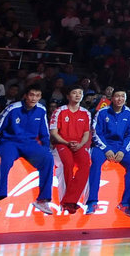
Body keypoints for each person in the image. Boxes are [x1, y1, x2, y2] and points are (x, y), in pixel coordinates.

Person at [0, 84, 54, 215]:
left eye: (37, 96)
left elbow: (44, 133)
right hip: (10, 142)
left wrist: (45, 149)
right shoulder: (12, 108)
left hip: (30, 144)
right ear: (25, 96)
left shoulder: (41, 109)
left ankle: (42, 200)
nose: (34, 98)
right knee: (6, 161)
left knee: (48, 159)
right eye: (32, 95)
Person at [87, 89, 130, 215]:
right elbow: (96, 132)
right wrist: (105, 149)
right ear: (112, 98)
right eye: (117, 96)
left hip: (122, 146)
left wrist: (123, 150)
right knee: (95, 162)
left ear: (125, 99)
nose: (119, 99)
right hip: (103, 145)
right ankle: (92, 201)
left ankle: (125, 203)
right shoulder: (102, 112)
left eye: (122, 96)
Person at [49, 85, 92, 213]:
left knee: (85, 165)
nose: (78, 95)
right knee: (68, 164)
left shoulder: (86, 113)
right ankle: (67, 202)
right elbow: (54, 133)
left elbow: (86, 133)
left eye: (80, 93)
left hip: (79, 145)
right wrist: (67, 142)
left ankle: (70, 200)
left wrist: (80, 145)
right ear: (68, 96)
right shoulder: (59, 111)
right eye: (74, 93)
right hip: (62, 144)